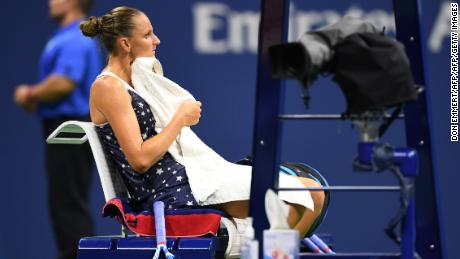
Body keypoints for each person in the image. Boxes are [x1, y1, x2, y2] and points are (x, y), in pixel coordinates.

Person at [80, 6, 325, 238]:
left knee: (314, 193)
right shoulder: (108, 87)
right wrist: (180, 119)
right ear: (125, 43)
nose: (157, 40)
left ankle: (267, 251)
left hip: (190, 174)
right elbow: (140, 160)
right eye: (147, 35)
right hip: (168, 191)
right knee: (293, 199)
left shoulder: (139, 78)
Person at [13, 0, 101, 258]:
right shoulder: (67, 36)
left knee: (68, 203)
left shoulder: (74, 38)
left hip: (70, 129)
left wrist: (29, 93)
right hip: (64, 128)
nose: (50, 1)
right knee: (65, 201)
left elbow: (62, 83)